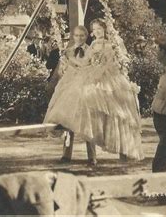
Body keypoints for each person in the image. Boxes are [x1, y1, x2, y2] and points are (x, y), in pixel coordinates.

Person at [44, 19, 143, 162]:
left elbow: (110, 63)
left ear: (104, 29)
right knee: (80, 103)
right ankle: (74, 152)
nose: (96, 32)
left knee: (117, 113)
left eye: (99, 29)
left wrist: (96, 72)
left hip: (107, 78)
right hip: (92, 75)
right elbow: (85, 62)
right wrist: (71, 59)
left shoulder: (111, 44)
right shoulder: (94, 45)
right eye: (94, 30)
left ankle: (124, 150)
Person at [54, 26, 96, 164]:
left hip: (85, 88)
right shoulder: (68, 51)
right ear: (73, 36)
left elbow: (95, 70)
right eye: (77, 35)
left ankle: (92, 156)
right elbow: (62, 71)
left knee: (88, 122)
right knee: (68, 120)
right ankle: (66, 154)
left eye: (82, 36)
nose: (79, 38)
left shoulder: (91, 51)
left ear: (86, 36)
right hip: (71, 88)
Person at [151, 38, 166, 172]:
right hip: (162, 119)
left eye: (157, 49)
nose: (155, 52)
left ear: (164, 52)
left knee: (160, 162)